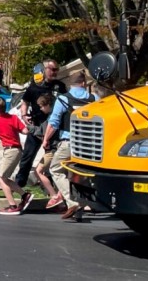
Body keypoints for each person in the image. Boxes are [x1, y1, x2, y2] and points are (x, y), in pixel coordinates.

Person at [42, 70, 98, 220]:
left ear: (70, 84)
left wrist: (46, 139)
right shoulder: (95, 99)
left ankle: (72, 202)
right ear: (84, 83)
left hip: (70, 142)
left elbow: (53, 123)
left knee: (56, 169)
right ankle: (80, 209)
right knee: (80, 174)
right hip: (90, 144)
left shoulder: (63, 99)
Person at [15, 58, 67, 188]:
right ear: (44, 70)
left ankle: (48, 184)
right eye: (52, 69)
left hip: (53, 128)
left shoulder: (60, 86)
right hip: (36, 125)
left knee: (51, 157)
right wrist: (24, 114)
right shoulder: (34, 87)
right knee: (28, 154)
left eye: (57, 70)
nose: (54, 72)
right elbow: (25, 102)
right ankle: (20, 182)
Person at [29, 94, 63, 209]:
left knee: (38, 171)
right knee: (57, 173)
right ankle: (59, 195)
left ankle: (54, 195)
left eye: (41, 106)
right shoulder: (55, 116)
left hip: (51, 150)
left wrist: (30, 127)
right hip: (55, 148)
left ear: (48, 105)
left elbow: (42, 132)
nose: (40, 109)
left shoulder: (50, 118)